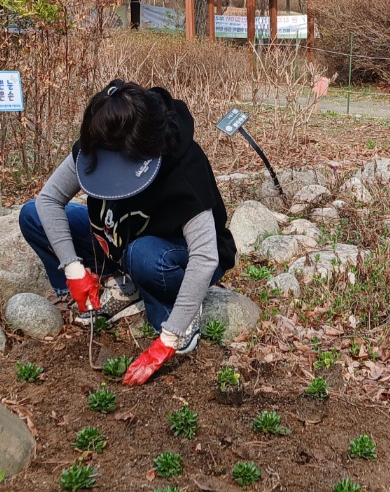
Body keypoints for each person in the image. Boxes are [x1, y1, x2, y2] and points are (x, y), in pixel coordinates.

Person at [19, 80, 236, 385]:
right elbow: (49, 199)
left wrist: (168, 339)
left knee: (143, 254)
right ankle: (123, 285)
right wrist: (72, 267)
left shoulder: (182, 163)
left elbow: (205, 256)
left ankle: (179, 306)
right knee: (32, 216)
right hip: (120, 239)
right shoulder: (101, 136)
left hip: (175, 254)